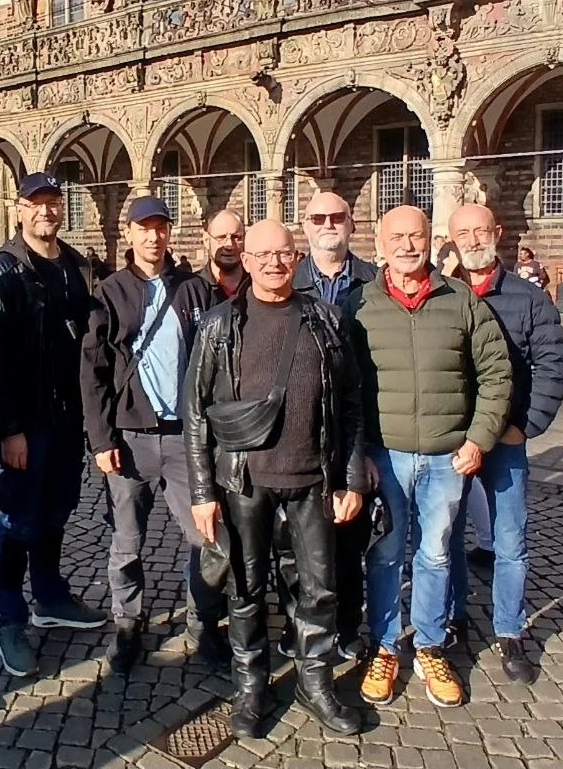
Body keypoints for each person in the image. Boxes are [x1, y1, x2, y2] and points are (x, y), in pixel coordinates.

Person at [184, 218, 366, 739]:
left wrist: (350, 477)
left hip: (312, 477)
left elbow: (351, 403)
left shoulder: (327, 319)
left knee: (320, 589)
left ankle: (315, 683)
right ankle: (250, 687)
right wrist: (202, 492)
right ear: (245, 258)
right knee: (245, 589)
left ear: (297, 256)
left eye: (283, 253)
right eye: (262, 254)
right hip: (243, 481)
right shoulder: (221, 323)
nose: (273, 262)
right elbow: (195, 410)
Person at [347, 205, 511, 709]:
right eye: (396, 237)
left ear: (429, 240)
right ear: (379, 244)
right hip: (386, 457)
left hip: (446, 455)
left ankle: (431, 645)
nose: (407, 246)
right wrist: (360, 456)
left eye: (415, 236)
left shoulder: (459, 299)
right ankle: (384, 644)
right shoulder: (360, 305)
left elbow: (497, 372)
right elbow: (346, 388)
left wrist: (478, 439)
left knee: (437, 552)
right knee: (386, 554)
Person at [81, 195, 226, 673]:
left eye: (160, 227)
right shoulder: (111, 292)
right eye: (143, 228)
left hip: (186, 437)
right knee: (127, 540)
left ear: (170, 232)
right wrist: (101, 441)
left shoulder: (194, 289)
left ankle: (203, 625)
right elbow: (93, 371)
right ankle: (128, 623)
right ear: (129, 234)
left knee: (206, 538)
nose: (153, 236)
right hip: (130, 437)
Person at [0, 172, 106, 679]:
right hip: (26, 422)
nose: (46, 212)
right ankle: (9, 617)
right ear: (19, 209)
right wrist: (7, 428)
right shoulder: (5, 271)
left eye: (54, 203)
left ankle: (49, 596)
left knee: (57, 509)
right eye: (37, 204)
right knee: (17, 518)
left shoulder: (76, 267)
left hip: (67, 417)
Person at [447, 204, 563, 682]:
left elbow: (554, 363)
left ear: (497, 234)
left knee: (511, 540)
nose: (475, 239)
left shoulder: (528, 298)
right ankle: (454, 618)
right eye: (464, 232)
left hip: (505, 438)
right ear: (453, 239)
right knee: (447, 536)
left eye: (482, 230)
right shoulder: (444, 292)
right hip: (452, 440)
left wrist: (528, 423)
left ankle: (510, 630)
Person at [288, 190, 377, 662]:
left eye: (336, 216)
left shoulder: (374, 282)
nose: (328, 224)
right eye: (318, 217)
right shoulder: (287, 279)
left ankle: (345, 626)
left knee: (349, 541)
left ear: (351, 224)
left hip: (351, 432)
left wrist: (369, 453)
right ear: (305, 225)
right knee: (298, 543)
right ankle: (299, 627)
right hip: (300, 437)